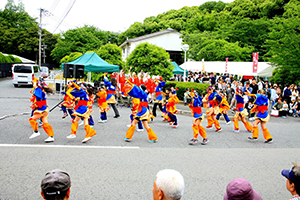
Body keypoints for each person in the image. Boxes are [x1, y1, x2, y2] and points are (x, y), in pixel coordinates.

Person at [28, 77, 55, 143]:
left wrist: (34, 82)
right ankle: (51, 136)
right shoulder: (40, 90)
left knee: (32, 119)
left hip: (42, 109)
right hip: (43, 108)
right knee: (45, 123)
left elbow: (35, 88)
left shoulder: (39, 90)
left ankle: (36, 131)